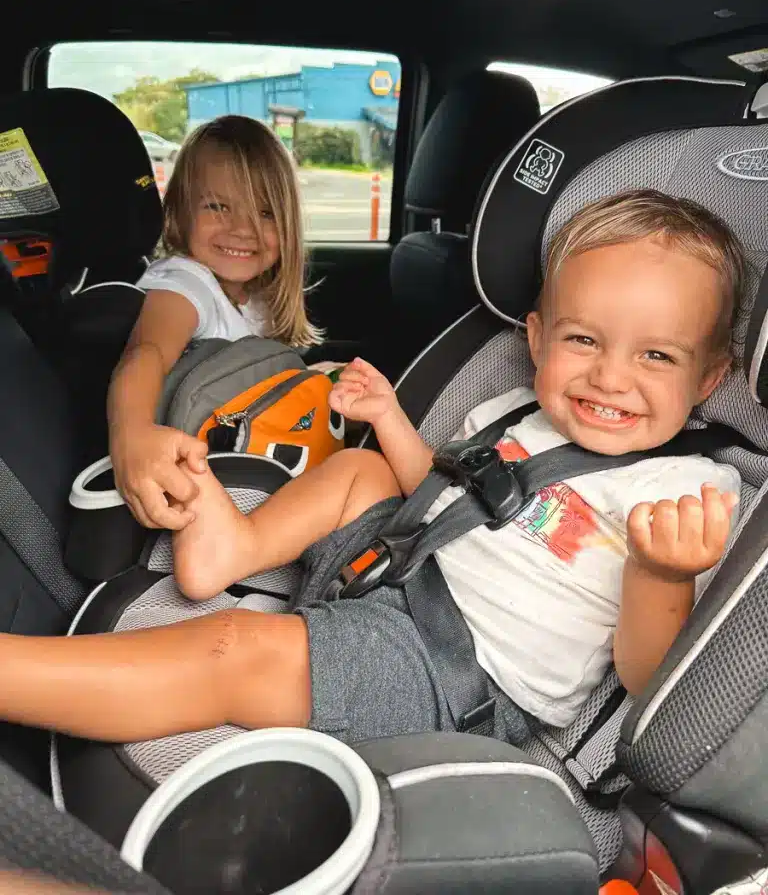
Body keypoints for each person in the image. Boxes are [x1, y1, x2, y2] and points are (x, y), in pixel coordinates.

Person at [0, 190, 744, 747]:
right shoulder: (524, 410)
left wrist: (663, 573)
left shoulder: (685, 493)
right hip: (396, 568)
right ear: (540, 336)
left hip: (456, 669)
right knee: (366, 473)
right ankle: (238, 547)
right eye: (584, 340)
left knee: (234, 649)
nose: (610, 378)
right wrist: (389, 419)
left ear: (710, 376)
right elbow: (440, 487)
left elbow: (649, 675)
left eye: (656, 355)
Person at [108, 114, 322, 532]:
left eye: (265, 212)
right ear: (180, 213)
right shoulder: (185, 283)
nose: (242, 229)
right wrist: (131, 436)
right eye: (218, 206)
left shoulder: (256, 297)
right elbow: (145, 353)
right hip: (208, 491)